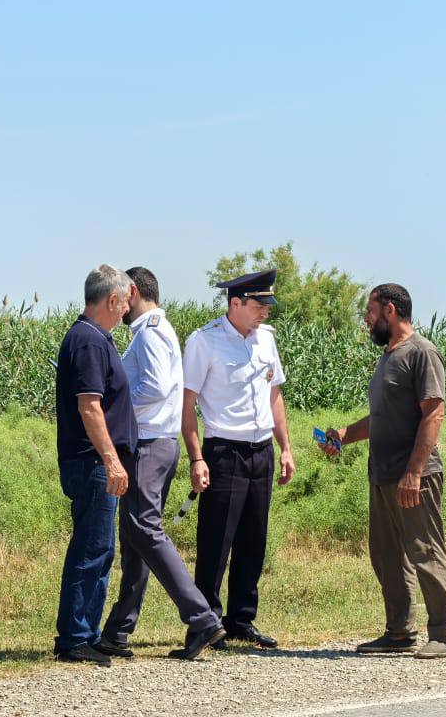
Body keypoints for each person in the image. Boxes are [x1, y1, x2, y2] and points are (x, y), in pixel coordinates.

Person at [321, 283, 446, 659]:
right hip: (381, 475)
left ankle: (444, 635)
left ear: (391, 311)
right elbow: (381, 418)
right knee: (386, 556)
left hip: (414, 476)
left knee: (425, 552)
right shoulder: (388, 356)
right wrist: (344, 436)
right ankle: (399, 631)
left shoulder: (422, 353)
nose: (366, 318)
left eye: (370, 310)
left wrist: (414, 473)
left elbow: (434, 413)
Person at [98, 267, 225, 661]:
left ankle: (201, 616)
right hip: (155, 444)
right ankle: (119, 629)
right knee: (135, 538)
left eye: (119, 296)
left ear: (133, 291)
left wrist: (114, 408)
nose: (116, 306)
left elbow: (153, 386)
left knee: (143, 530)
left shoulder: (150, 332)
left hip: (150, 444)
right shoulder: (153, 331)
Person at [181, 268, 295, 650]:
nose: (266, 311)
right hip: (224, 452)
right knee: (216, 541)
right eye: (259, 304)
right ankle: (207, 622)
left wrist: (286, 447)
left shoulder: (266, 341)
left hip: (260, 451)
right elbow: (188, 405)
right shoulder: (205, 341)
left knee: (253, 540)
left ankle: (241, 619)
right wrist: (197, 458)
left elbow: (274, 396)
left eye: (267, 304)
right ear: (235, 303)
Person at [53, 265, 138, 666]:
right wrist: (111, 461)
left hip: (94, 463)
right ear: (111, 300)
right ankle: (75, 637)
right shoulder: (88, 341)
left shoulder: (94, 338)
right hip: (92, 463)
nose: (126, 310)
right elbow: (90, 406)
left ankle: (82, 632)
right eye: (125, 301)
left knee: (100, 548)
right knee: (92, 548)